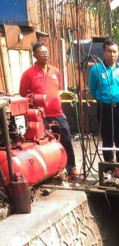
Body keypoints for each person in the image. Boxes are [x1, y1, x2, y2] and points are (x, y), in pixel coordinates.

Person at [20, 43, 82, 181]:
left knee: (66, 139)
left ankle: (71, 168)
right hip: (40, 116)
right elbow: (23, 94)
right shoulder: (28, 74)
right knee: (44, 144)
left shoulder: (55, 71)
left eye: (47, 52)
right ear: (34, 55)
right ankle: (49, 170)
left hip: (57, 113)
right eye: (42, 52)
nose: (45, 54)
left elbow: (56, 90)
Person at [89, 38, 119, 164]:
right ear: (104, 52)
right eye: (109, 51)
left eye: (114, 51)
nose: (112, 54)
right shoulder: (96, 69)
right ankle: (108, 165)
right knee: (107, 138)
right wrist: (102, 100)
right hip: (104, 107)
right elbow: (93, 89)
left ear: (118, 53)